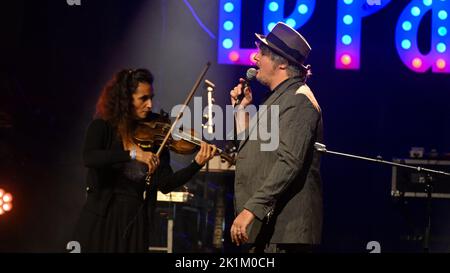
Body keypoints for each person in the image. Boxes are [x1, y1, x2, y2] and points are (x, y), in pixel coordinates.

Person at [73, 68, 216, 252]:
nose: (150, 105)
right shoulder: (103, 125)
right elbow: (90, 157)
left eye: (151, 98)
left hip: (135, 221)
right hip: (102, 218)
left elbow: (166, 183)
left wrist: (196, 164)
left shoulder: (156, 135)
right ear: (126, 99)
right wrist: (132, 154)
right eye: (143, 98)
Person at [229, 22, 323, 253]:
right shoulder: (278, 99)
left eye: (262, 54)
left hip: (285, 232)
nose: (254, 59)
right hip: (269, 229)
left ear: (281, 63)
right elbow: (250, 149)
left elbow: (289, 163)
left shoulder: (299, 101)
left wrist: (251, 210)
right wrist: (241, 110)